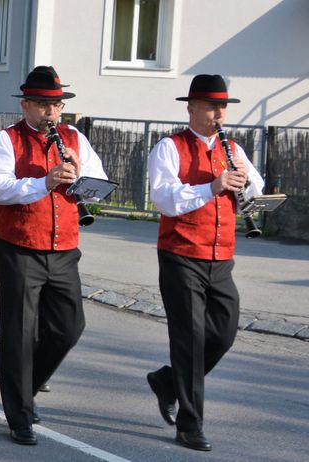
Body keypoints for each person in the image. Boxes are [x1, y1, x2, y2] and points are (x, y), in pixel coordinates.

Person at [0, 67, 108, 446]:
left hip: (64, 247)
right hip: (20, 245)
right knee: (20, 333)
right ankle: (18, 413)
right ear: (25, 105)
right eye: (42, 105)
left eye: (55, 105)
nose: (50, 113)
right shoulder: (5, 140)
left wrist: (79, 170)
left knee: (69, 327)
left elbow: (99, 185)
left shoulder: (74, 139)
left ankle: (27, 388)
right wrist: (45, 181)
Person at [144, 74, 261, 452]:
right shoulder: (169, 147)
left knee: (223, 334)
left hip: (221, 256)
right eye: (211, 107)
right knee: (190, 340)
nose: (218, 114)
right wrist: (212, 187)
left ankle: (168, 381)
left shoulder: (233, 150)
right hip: (180, 253)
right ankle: (189, 424)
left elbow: (257, 189)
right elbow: (164, 200)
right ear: (191, 108)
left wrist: (247, 188)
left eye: (222, 107)